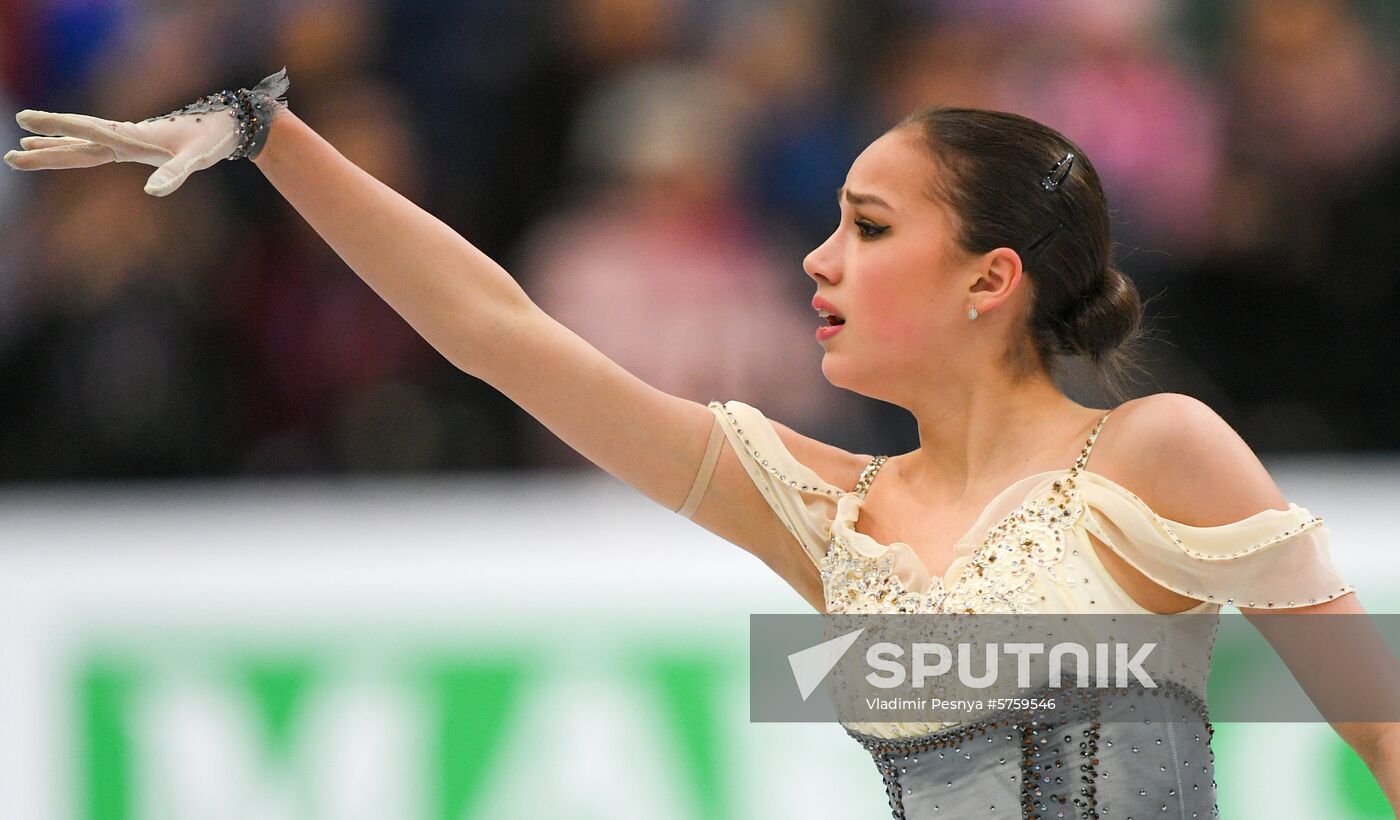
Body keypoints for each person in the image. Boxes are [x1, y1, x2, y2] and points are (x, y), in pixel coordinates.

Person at [6, 68, 1398, 818]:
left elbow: (1379, 722)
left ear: (992, 279)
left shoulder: (1159, 450)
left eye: (866, 225)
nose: (817, 259)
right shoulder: (824, 510)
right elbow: (501, 333)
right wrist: (271, 137)